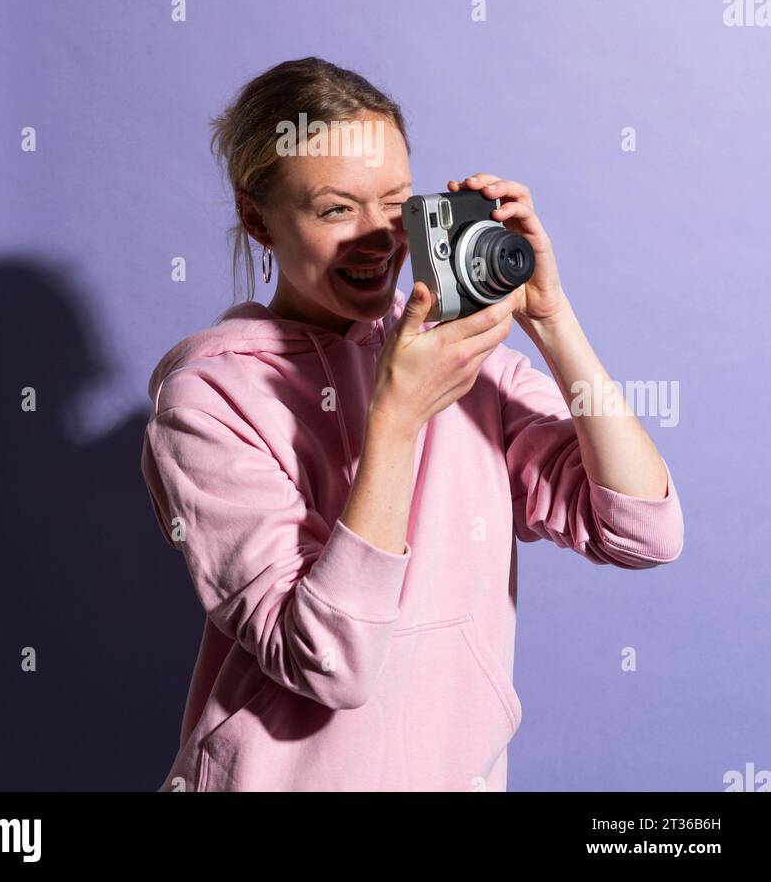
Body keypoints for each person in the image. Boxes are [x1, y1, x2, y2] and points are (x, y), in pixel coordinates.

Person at [141, 56, 684, 792]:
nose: (378, 238)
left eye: (395, 203)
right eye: (335, 209)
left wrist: (552, 321)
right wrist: (396, 418)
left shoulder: (462, 357)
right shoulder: (207, 399)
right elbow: (330, 661)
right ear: (255, 218)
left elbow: (642, 532)